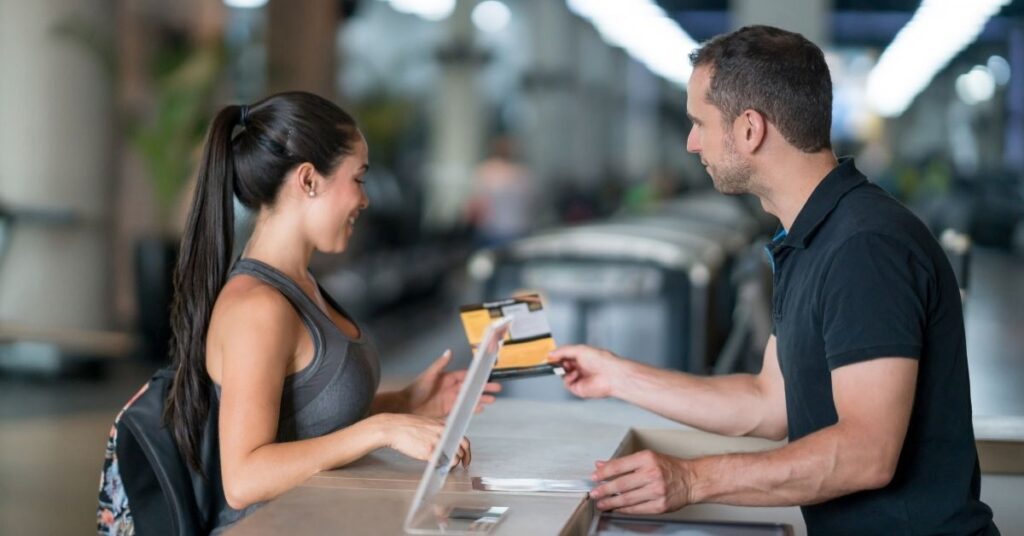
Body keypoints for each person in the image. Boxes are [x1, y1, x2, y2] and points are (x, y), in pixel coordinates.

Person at [549, 26, 998, 535]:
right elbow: (768, 403)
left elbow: (866, 453)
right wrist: (616, 376)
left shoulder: (865, 247)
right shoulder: (809, 238)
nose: (692, 142)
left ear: (749, 129)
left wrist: (691, 481)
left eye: (700, 122)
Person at [148, 92, 497, 533]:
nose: (365, 200)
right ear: (309, 180)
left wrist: (406, 402)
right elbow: (244, 478)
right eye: (359, 178)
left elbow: (305, 421)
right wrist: (382, 429)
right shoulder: (258, 307)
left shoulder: (303, 286)